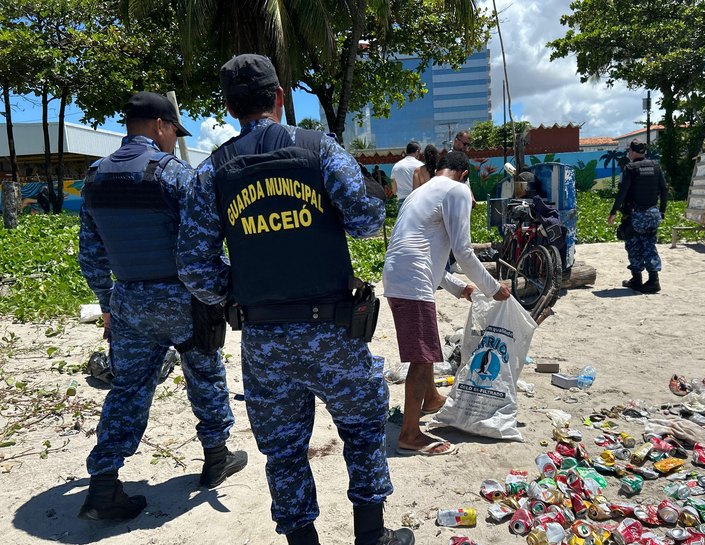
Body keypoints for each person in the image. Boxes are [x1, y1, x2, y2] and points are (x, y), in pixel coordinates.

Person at [176, 54, 413, 545]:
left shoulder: (212, 170)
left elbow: (194, 266)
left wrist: (238, 292)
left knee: (283, 451)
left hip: (263, 338)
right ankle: (371, 536)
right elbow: (367, 223)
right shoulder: (318, 150)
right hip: (332, 329)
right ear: (279, 97)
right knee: (364, 426)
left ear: (229, 106)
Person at [77, 92, 246, 521]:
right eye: (173, 129)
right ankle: (215, 457)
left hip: (129, 299)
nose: (174, 138)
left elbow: (91, 254)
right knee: (204, 372)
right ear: (158, 125)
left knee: (129, 387)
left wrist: (107, 303)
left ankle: (103, 486)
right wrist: (220, 288)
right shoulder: (173, 174)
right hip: (180, 297)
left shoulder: (94, 177)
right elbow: (203, 240)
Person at [383, 151, 511, 456]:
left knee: (425, 346)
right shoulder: (457, 189)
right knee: (422, 355)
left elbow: (425, 247)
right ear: (464, 174)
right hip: (413, 279)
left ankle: (431, 399)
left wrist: (458, 287)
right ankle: (410, 435)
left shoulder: (421, 192)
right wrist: (493, 288)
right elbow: (463, 251)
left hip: (398, 275)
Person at [607, 139, 668, 293]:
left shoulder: (630, 168)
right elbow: (664, 189)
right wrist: (662, 211)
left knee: (633, 245)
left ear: (633, 152)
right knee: (649, 244)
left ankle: (637, 278)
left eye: (629, 151)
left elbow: (623, 192)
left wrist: (613, 212)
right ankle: (653, 280)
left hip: (636, 214)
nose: (629, 153)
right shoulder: (656, 166)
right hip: (653, 213)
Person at [390, 141, 423, 207]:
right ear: (417, 151)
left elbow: (393, 188)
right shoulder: (420, 165)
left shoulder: (396, 166)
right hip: (416, 200)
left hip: (402, 202)